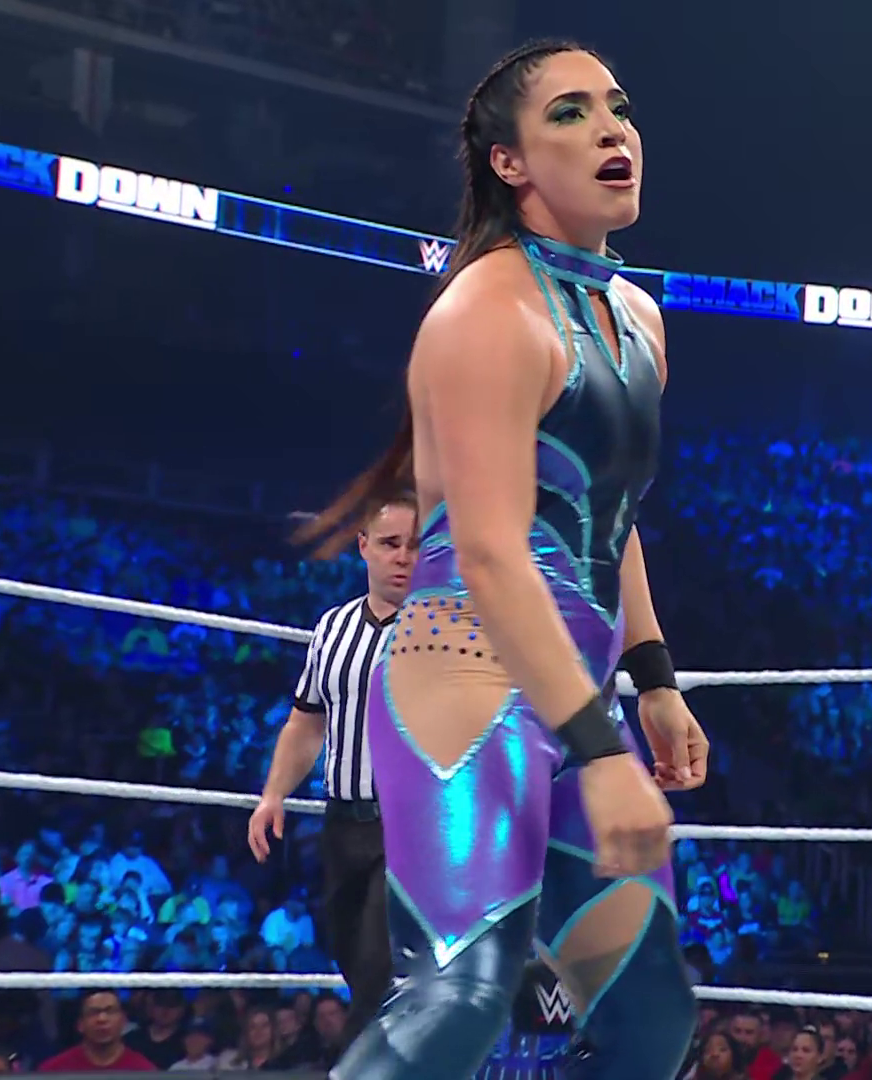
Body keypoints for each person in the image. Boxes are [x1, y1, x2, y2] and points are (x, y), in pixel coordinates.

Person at [294, 38, 709, 1080]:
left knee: (649, 1016)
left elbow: (612, 517)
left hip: (575, 689)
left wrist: (654, 679)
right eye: (571, 113)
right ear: (508, 162)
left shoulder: (638, 319)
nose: (612, 130)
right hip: (466, 678)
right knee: (461, 998)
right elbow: (487, 550)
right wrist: (603, 753)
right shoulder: (485, 309)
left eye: (619, 107)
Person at [249, 492, 417, 1038]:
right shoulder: (333, 627)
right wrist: (273, 794)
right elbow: (306, 722)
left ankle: (351, 1069)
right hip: (342, 822)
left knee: (377, 968)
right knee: (350, 956)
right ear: (363, 546)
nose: (403, 557)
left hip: (412, 829)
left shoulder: (449, 631)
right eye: (390, 543)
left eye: (415, 545)